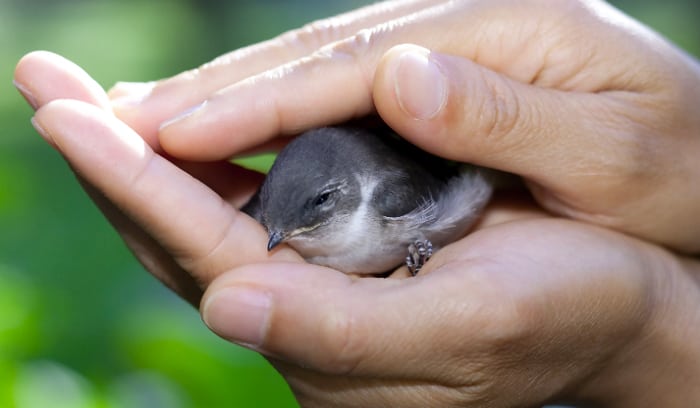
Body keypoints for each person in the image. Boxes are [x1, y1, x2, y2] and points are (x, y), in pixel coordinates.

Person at [14, 0, 700, 406]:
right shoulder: (274, 212)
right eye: (272, 222)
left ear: (348, 196)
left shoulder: (396, 194)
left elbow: (470, 183)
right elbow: (275, 216)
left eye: (308, 218)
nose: (277, 237)